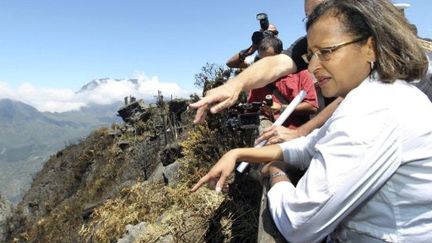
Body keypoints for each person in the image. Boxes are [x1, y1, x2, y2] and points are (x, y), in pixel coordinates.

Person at [192, 0, 432, 242]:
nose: (314, 66)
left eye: (327, 52)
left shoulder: (376, 108)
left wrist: (276, 175)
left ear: (370, 46)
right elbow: (310, 145)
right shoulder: (368, 95)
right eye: (311, 55)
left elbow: (298, 224)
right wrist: (238, 153)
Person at [191, 0, 340, 143]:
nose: (314, 66)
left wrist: (293, 124)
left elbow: (340, 101)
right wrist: (233, 85)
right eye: (309, 18)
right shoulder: (303, 46)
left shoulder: (301, 73)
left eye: (321, 13)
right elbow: (273, 65)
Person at [248, 36, 319, 130]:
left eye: (271, 60)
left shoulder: (301, 73)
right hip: (271, 140)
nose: (267, 64)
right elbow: (251, 110)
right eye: (263, 61)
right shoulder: (258, 82)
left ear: (281, 56)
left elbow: (312, 107)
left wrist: (281, 108)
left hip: (299, 136)